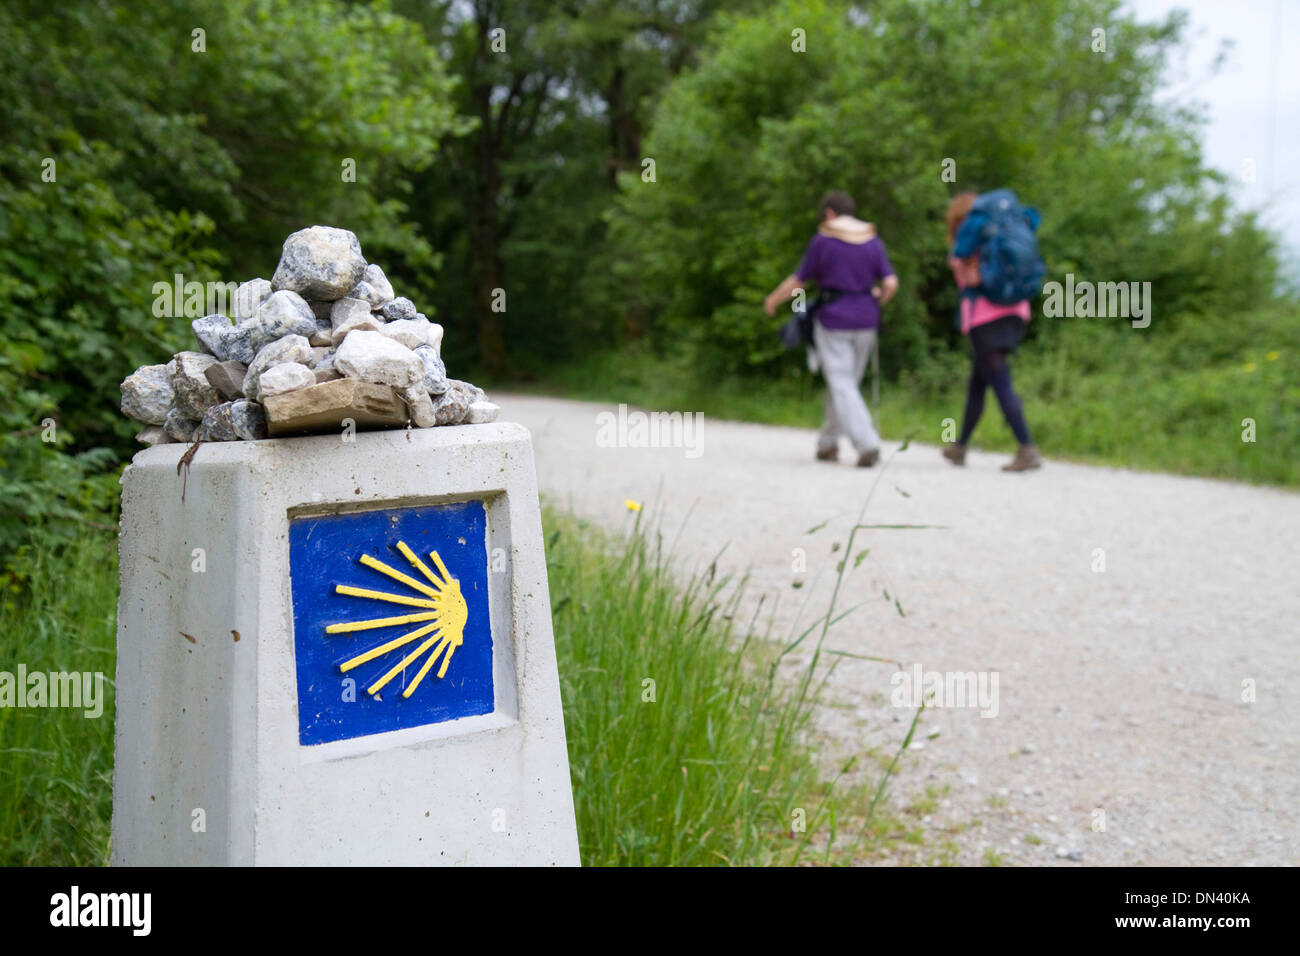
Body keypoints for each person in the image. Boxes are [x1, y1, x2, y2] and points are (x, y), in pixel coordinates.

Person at [764, 191, 898, 467]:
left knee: (842, 385)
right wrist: (877, 302)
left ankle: (867, 444)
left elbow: (798, 282)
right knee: (845, 385)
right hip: (867, 321)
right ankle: (827, 443)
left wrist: (773, 300)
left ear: (828, 213)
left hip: (833, 320)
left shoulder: (823, 241)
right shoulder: (872, 240)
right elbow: (891, 284)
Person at [942, 191, 1042, 472]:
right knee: (979, 382)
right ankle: (959, 446)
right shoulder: (1005, 232)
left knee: (1000, 382)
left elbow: (967, 279)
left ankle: (1027, 446)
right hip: (1016, 312)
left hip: (986, 319)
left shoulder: (967, 245)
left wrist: (960, 263)